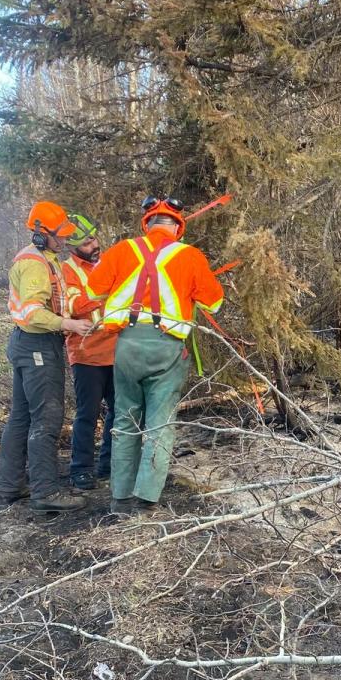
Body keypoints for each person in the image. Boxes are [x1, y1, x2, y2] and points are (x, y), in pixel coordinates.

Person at [73, 196, 224, 513]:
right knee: (160, 425)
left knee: (126, 419)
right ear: (178, 227)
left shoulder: (122, 251)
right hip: (166, 348)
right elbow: (213, 302)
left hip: (127, 345)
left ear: (148, 223)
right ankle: (145, 500)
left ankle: (120, 498)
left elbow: (90, 296)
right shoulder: (190, 256)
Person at [0, 201, 93, 514]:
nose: (63, 239)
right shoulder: (36, 263)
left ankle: (10, 486)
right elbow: (33, 312)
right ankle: (46, 492)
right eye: (58, 234)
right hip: (38, 345)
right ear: (40, 234)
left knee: (21, 417)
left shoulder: (41, 258)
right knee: (46, 419)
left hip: (27, 343)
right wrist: (68, 324)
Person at [60, 214, 116, 489]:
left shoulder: (108, 261)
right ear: (72, 246)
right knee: (88, 413)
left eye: (94, 238)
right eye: (86, 242)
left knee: (120, 410)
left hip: (117, 350)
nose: (94, 245)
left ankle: (109, 464)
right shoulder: (68, 269)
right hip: (86, 354)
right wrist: (104, 292)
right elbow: (74, 306)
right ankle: (80, 469)